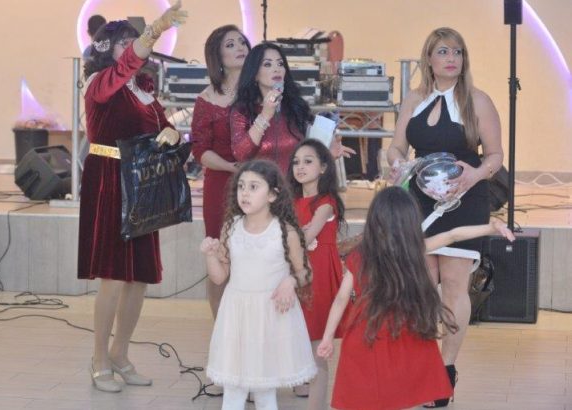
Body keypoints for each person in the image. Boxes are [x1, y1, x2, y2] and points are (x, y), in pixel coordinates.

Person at [386, 27, 503, 406]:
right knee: (419, 287)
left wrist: (474, 175)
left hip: (464, 199)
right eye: (443, 51)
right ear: (429, 59)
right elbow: (397, 147)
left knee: (454, 285)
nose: (451, 58)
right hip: (419, 199)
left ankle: (444, 371)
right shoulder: (414, 98)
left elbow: (495, 156)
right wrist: (397, 165)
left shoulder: (478, 101)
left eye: (457, 51)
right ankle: (420, 367)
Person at [317, 187, 515, 410]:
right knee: (386, 393)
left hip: (377, 332)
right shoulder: (398, 251)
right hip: (384, 333)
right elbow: (452, 235)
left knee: (376, 393)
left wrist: (327, 337)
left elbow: (341, 299)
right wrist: (491, 226)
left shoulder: (366, 254)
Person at [77, 1, 188, 393]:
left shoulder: (142, 90)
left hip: (140, 183)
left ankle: (120, 354)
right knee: (112, 276)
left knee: (138, 277)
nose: (133, 48)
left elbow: (162, 127)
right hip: (109, 180)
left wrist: (172, 132)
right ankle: (98, 358)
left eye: (135, 41)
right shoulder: (99, 82)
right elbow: (124, 67)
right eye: (124, 41)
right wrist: (155, 29)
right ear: (107, 47)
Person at [200, 159, 318, 409]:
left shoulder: (285, 232)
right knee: (234, 388)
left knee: (265, 390)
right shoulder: (231, 228)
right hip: (237, 314)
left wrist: (290, 280)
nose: (245, 193)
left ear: (272, 195)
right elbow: (220, 277)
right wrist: (210, 255)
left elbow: (305, 272)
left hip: (270, 316)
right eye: (241, 186)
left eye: (254, 187)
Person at [191, 25, 251, 318]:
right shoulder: (206, 99)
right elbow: (200, 150)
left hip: (258, 182)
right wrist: (229, 167)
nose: (240, 47)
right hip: (221, 183)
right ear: (217, 56)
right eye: (230, 44)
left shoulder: (261, 91)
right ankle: (220, 329)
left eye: (242, 42)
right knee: (220, 255)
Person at [286, 138, 345, 408]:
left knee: (316, 343)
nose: (300, 167)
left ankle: (316, 403)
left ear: (323, 167)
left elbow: (306, 237)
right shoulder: (291, 201)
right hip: (295, 273)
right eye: (296, 162)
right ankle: (299, 384)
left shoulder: (326, 202)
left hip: (318, 276)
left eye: (308, 161)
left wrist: (290, 235)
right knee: (295, 332)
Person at [230, 42, 312, 174]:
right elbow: (241, 154)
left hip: (293, 184)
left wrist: (327, 150)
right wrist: (265, 115)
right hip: (260, 184)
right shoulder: (242, 110)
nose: (277, 69)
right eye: (267, 64)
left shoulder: (295, 107)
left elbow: (309, 150)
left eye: (280, 64)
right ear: (255, 74)